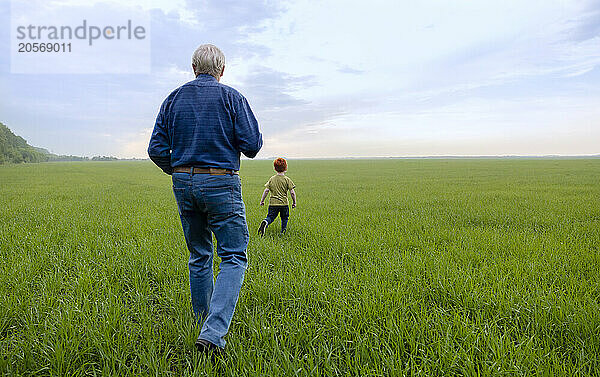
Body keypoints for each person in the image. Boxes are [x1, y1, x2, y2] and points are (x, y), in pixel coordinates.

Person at [147, 44, 262, 352]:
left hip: (183, 182)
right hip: (220, 181)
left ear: (193, 68)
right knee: (234, 256)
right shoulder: (233, 98)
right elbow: (252, 145)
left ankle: (203, 322)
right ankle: (212, 333)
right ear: (221, 70)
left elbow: (155, 149)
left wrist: (182, 171)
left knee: (199, 254)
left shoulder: (172, 99)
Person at [258, 158, 297, 235]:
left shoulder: (272, 179)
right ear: (286, 168)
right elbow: (292, 192)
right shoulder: (287, 179)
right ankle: (283, 231)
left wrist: (262, 201)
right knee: (284, 218)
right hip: (284, 204)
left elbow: (266, 190)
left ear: (275, 168)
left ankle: (265, 222)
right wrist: (294, 202)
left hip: (273, 204)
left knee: (270, 217)